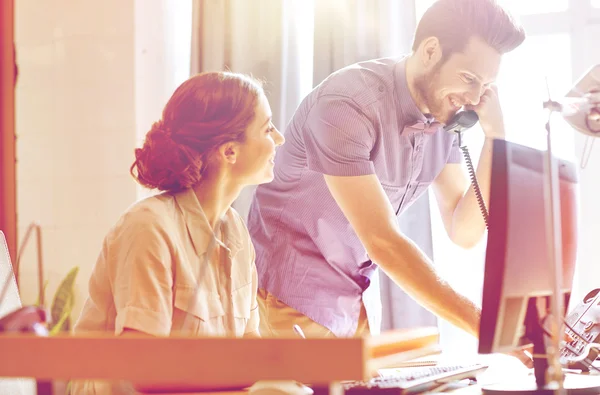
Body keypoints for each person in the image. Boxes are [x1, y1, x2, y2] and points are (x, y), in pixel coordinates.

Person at [247, 0, 526, 340]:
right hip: (292, 295)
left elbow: (463, 230)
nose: (473, 96)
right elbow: (382, 241)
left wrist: (496, 138)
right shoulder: (348, 103)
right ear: (430, 50)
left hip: (357, 300)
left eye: (485, 86)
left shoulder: (444, 116)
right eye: (468, 78)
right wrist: (485, 326)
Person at [71, 71, 285, 394]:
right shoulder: (148, 228)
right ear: (229, 152)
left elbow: (248, 350)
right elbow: (144, 375)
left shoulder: (236, 234)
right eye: (267, 128)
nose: (279, 139)